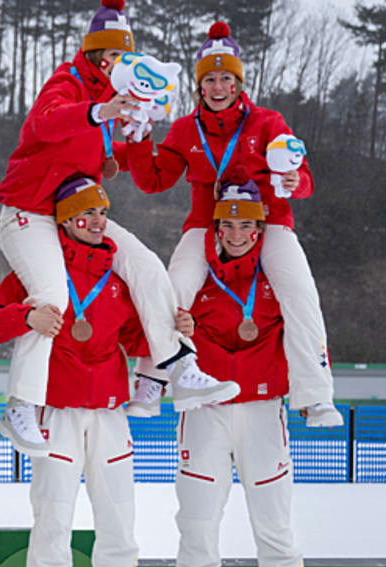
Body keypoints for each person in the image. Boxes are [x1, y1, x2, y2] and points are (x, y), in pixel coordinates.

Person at [0, 0, 238, 455]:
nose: (110, 64)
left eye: (118, 58)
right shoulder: (68, 84)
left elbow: (117, 161)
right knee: (52, 296)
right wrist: (100, 112)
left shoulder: (117, 97)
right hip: (30, 213)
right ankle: (22, 403)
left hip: (79, 213)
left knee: (144, 264)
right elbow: (47, 124)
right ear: (89, 54)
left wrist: (141, 136)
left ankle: (175, 366)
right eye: (103, 56)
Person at [125, 21, 341, 428]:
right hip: (207, 224)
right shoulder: (186, 129)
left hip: (270, 221)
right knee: (173, 289)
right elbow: (154, 180)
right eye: (210, 79)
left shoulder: (267, 122)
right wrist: (138, 139)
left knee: (298, 292)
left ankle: (315, 395)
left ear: (239, 83)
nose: (218, 86)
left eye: (226, 77)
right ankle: (152, 381)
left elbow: (303, 176)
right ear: (199, 86)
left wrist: (296, 182)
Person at [0, 177, 169, 567]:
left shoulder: (118, 278)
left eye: (103, 213)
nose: (99, 222)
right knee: (52, 532)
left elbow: (137, 337)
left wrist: (175, 324)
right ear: (65, 220)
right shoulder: (37, 272)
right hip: (56, 415)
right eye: (88, 214)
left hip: (109, 417)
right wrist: (26, 315)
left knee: (121, 534)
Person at [167, 168, 315, 567]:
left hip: (264, 414)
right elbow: (159, 328)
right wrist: (181, 328)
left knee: (276, 534)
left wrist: (314, 390)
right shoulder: (194, 274)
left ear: (260, 227)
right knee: (197, 530)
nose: (237, 235)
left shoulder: (279, 276)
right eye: (227, 225)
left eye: (246, 225)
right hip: (205, 412)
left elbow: (307, 332)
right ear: (214, 228)